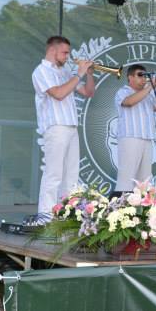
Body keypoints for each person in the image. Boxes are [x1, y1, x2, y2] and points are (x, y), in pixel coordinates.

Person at [32, 35, 96, 220]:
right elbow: (59, 94)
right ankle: (45, 216)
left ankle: (65, 216)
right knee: (53, 174)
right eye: (65, 52)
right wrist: (79, 74)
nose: (67, 56)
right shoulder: (41, 71)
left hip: (71, 126)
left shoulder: (65, 72)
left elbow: (88, 92)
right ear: (52, 50)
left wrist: (89, 74)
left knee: (71, 175)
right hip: (55, 126)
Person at [114, 64, 156, 192]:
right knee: (126, 177)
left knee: (144, 180)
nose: (144, 79)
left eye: (145, 76)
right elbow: (129, 102)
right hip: (130, 138)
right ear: (130, 77)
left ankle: (141, 203)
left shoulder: (148, 94)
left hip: (147, 138)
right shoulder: (123, 91)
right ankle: (120, 204)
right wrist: (150, 87)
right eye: (140, 75)